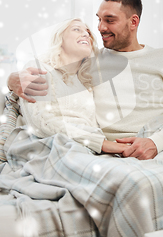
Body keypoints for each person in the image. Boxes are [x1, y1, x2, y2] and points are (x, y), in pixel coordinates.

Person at [8, 0, 163, 159]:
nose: (100, 28)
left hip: (162, 142)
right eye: (99, 19)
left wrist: (156, 143)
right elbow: (57, 73)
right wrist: (12, 79)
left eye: (110, 20)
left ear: (133, 22)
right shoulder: (90, 63)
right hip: (113, 150)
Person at [19, 18, 128, 154]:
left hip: (87, 149)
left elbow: (92, 125)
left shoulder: (86, 84)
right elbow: (42, 121)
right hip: (50, 146)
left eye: (87, 32)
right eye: (77, 29)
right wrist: (100, 143)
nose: (86, 34)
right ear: (60, 39)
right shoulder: (38, 68)